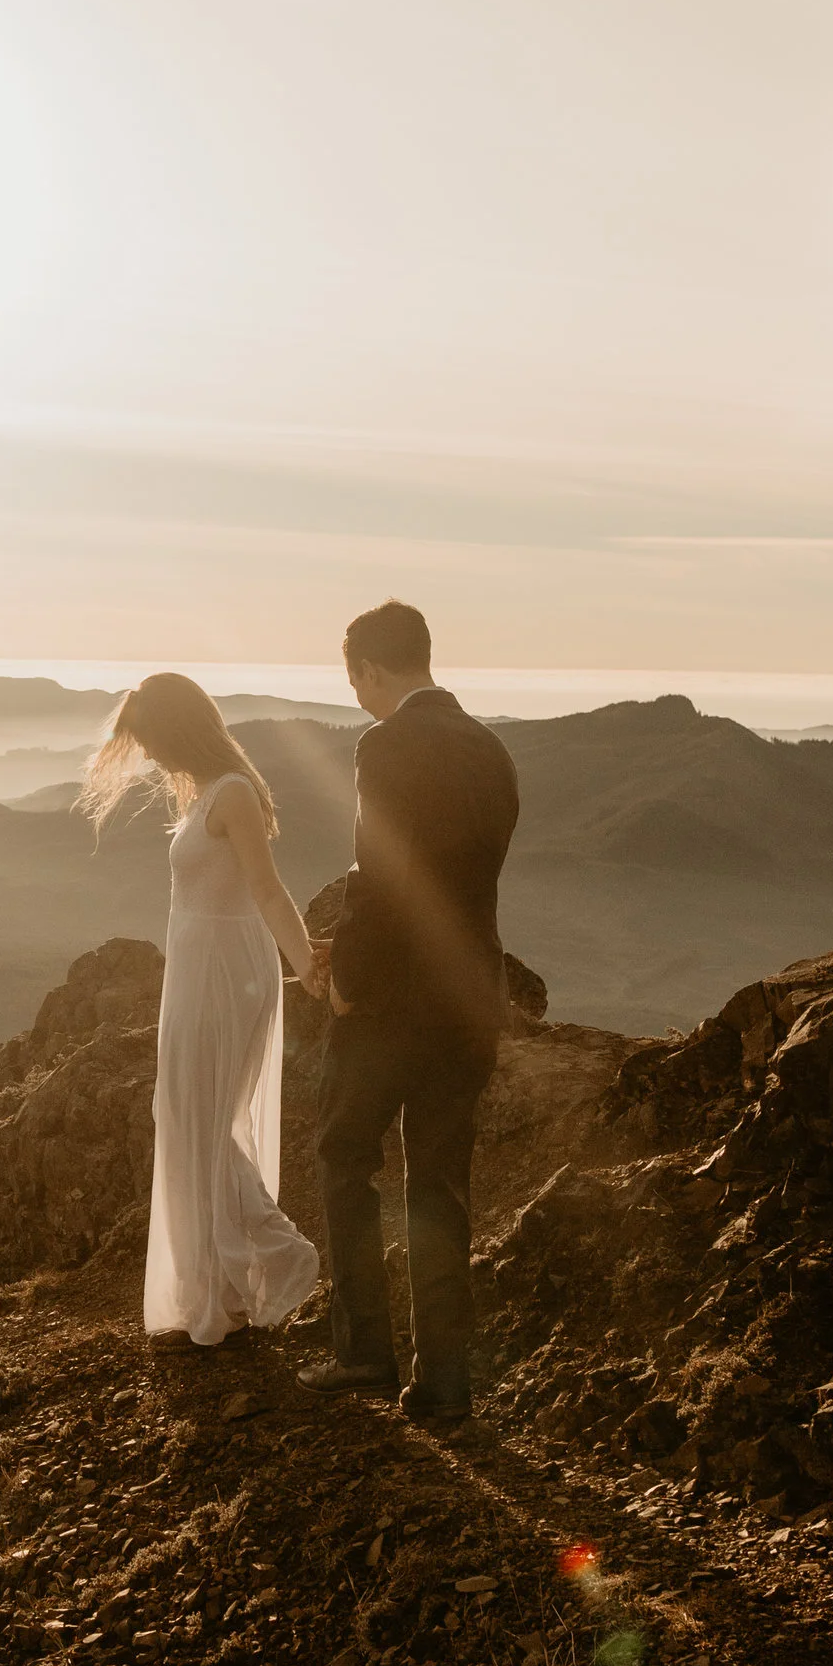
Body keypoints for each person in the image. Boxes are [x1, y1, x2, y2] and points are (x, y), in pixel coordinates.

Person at [299, 601, 519, 1422]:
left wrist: (347, 974)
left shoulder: (386, 745)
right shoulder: (491, 748)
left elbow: (383, 875)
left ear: (370, 670)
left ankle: (363, 1351)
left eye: (352, 676)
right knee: (438, 1184)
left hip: (392, 1003)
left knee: (344, 1154)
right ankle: (444, 1380)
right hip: (468, 1000)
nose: (354, 691)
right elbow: (464, 879)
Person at [80, 672, 324, 1350]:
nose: (151, 754)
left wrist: (304, 963)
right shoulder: (202, 795)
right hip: (195, 974)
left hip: (227, 974)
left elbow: (267, 891)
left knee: (204, 1125)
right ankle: (217, 1292)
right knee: (185, 1118)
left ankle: (278, 1256)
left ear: (180, 728)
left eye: (153, 738)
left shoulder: (234, 794)